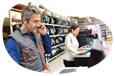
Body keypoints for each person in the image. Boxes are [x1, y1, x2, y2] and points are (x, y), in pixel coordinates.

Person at [5, 5, 52, 74]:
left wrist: (44, 34)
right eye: (35, 21)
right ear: (24, 20)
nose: (38, 25)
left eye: (39, 21)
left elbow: (48, 51)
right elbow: (11, 70)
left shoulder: (35, 35)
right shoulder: (13, 40)